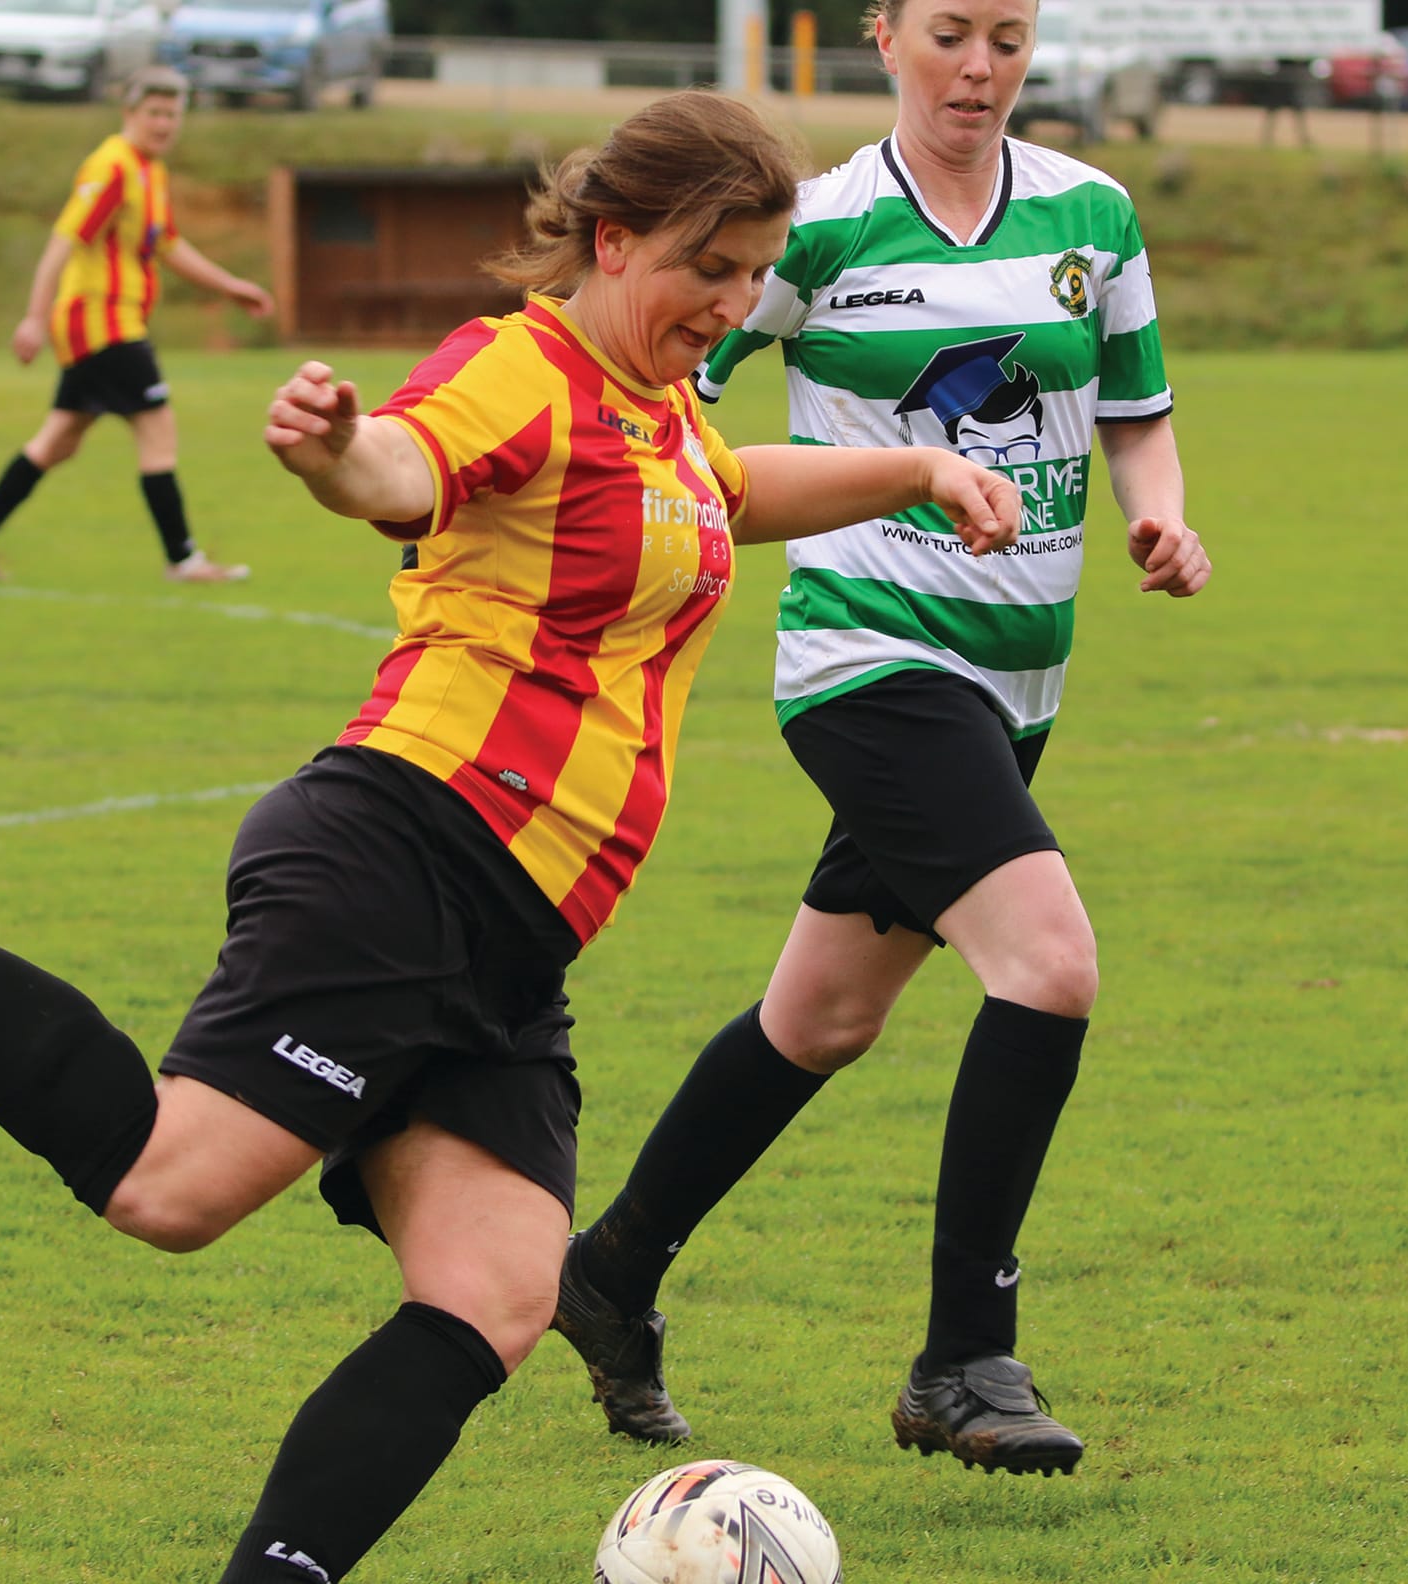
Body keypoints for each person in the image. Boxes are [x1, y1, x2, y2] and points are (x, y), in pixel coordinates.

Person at [0, 90, 1019, 1583]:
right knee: (169, 1192)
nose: (735, 302)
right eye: (712, 265)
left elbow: (737, 489)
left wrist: (919, 470)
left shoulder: (663, 411)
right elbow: (405, 472)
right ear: (614, 242)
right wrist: (335, 451)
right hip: (406, 851)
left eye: (757, 271)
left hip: (515, 934)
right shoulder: (524, 369)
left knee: (498, 1294)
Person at [553, 0, 1212, 1479]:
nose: (980, 68)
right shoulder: (820, 232)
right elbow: (680, 416)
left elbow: (1136, 412)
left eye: (1009, 37)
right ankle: (963, 1361)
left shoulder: (1090, 213)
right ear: (886, 38)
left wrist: (1158, 515)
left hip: (1020, 683)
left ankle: (609, 1270)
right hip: (870, 663)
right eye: (951, 35)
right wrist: (868, 482)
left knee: (825, 1019)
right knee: (1048, 967)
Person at [0, 65, 271, 585]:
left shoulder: (149, 170)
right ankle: (183, 559)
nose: (164, 123)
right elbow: (63, 242)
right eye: (154, 113)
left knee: (58, 441)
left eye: (172, 114)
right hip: (103, 321)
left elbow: (166, 245)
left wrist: (229, 285)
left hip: (109, 323)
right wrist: (33, 317)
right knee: (158, 431)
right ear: (129, 114)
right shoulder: (112, 167)